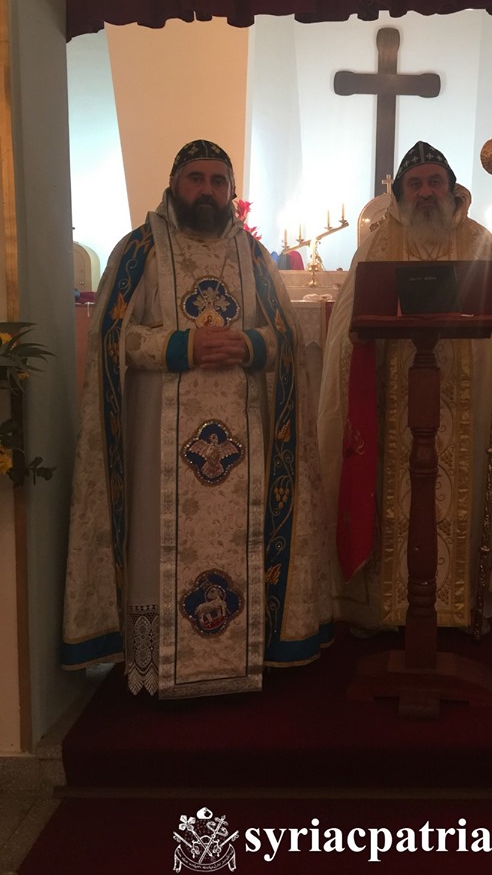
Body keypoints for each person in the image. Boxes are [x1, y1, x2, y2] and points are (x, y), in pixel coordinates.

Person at [63, 139, 332, 698]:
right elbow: (112, 338)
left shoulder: (253, 255)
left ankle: (241, 658)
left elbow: (285, 336)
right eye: (196, 179)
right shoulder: (139, 251)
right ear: (174, 185)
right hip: (157, 443)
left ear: (231, 191)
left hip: (244, 446)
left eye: (217, 181)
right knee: (154, 543)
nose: (207, 191)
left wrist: (252, 345)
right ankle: (154, 664)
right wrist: (179, 347)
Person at [317, 140, 492, 634]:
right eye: (416, 184)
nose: (426, 192)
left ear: (453, 190)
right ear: (400, 194)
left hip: (462, 400)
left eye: (435, 182)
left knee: (461, 497)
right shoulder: (377, 246)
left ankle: (462, 599)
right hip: (393, 404)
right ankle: (384, 607)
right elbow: (349, 328)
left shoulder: (480, 243)